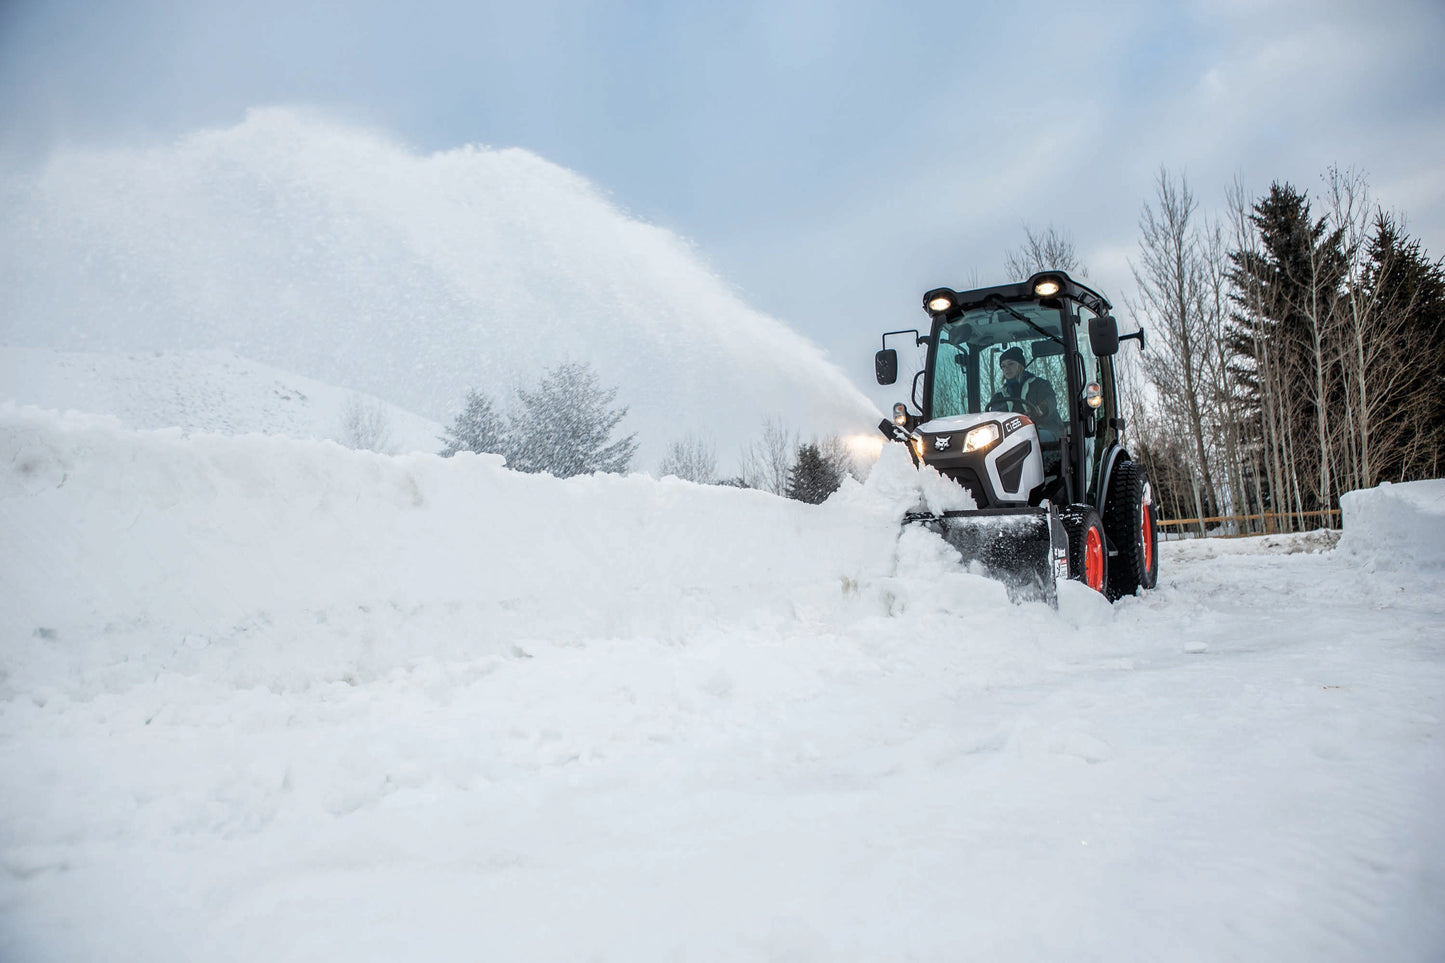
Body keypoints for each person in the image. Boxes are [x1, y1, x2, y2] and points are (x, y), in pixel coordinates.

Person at [988, 346, 1061, 429]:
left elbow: (1050, 400)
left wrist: (1041, 409)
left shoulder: (1039, 385)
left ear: (1020, 365)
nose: (1006, 368)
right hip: (1016, 434)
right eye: (1003, 366)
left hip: (1044, 429)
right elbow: (994, 416)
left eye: (1011, 364)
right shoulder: (999, 396)